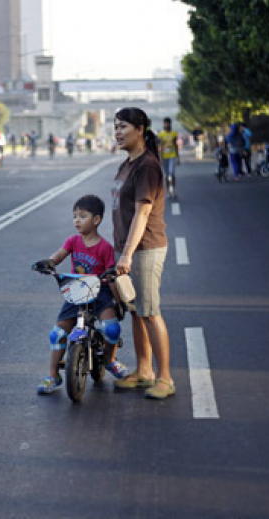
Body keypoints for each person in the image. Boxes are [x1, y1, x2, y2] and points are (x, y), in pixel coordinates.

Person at [111, 107, 175, 400]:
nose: (118, 132)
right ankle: (144, 372)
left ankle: (165, 378)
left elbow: (142, 213)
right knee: (136, 313)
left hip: (145, 248)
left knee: (149, 312)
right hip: (127, 248)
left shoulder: (146, 166)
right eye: (115, 127)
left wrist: (126, 255)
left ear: (140, 129)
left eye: (123, 126)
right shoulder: (127, 164)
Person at [34, 195, 128, 394]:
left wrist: (118, 302)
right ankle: (53, 375)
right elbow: (58, 256)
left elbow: (111, 277)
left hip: (99, 292)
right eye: (74, 216)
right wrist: (49, 263)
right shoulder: (73, 241)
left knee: (111, 329)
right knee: (57, 334)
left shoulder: (105, 248)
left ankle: (110, 361)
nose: (77, 220)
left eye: (82, 216)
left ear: (96, 220)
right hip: (76, 290)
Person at [158, 117, 180, 198]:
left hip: (172, 156)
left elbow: (175, 145)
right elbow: (160, 147)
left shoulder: (174, 134)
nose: (167, 125)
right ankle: (168, 192)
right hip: (164, 157)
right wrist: (160, 158)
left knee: (172, 173)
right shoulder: (161, 134)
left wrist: (178, 157)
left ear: (170, 124)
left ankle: (173, 190)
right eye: (165, 123)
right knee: (167, 175)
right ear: (163, 124)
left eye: (168, 123)